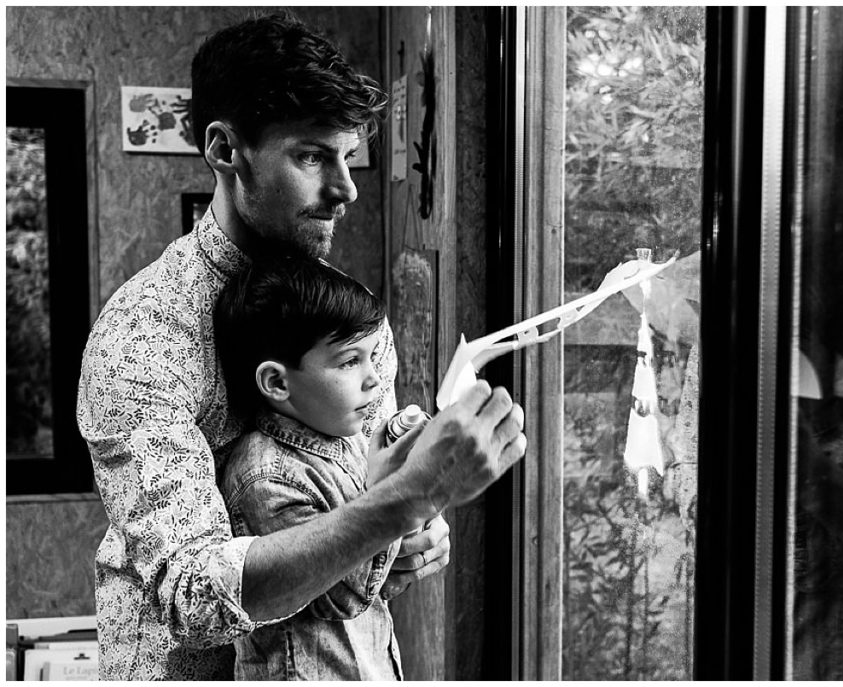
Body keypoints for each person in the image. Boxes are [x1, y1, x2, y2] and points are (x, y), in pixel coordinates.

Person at [76, 13, 526, 680]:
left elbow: (360, 511)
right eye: (313, 155)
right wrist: (403, 501)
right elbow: (198, 597)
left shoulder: (348, 316)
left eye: (348, 155)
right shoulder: (142, 340)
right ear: (225, 150)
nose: (345, 189)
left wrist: (408, 534)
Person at [214, 256, 409, 680]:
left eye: (371, 356)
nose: (374, 379)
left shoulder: (350, 439)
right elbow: (344, 595)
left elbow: (382, 572)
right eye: (348, 361)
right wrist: (392, 490)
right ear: (278, 383)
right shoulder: (265, 478)